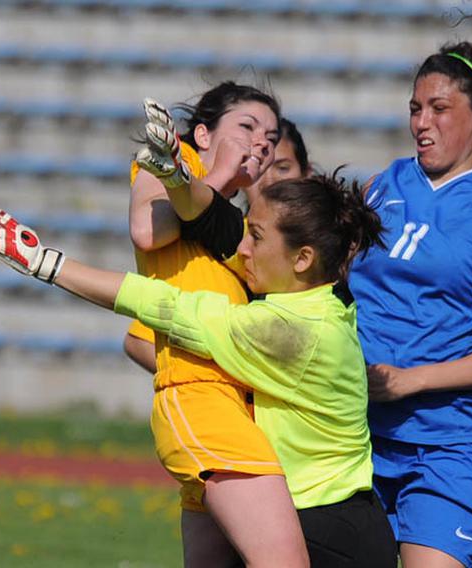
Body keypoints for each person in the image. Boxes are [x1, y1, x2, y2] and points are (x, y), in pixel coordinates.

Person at [0, 168, 391, 567]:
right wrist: (180, 180)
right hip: (339, 525)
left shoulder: (288, 331)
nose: (242, 249)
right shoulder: (323, 304)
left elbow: (165, 305)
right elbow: (217, 229)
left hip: (328, 533)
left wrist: (48, 265)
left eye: (255, 237)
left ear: (303, 259)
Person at [139, 99, 398, 567]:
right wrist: (175, 171)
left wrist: (53, 268)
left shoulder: (310, 291)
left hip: (324, 508)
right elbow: (194, 220)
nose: (269, 176)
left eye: (283, 166)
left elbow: (173, 287)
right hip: (286, 496)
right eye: (264, 165)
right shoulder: (256, 251)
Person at [347, 2, 472, 567]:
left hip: (441, 449)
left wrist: (411, 382)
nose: (420, 123)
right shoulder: (382, 185)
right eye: (415, 108)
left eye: (439, 108)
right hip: (348, 438)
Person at [120, 83, 305, 566]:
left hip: (246, 408)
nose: (261, 143)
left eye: (270, 137)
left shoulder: (243, 225)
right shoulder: (171, 162)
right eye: (246, 127)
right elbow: (146, 228)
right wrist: (218, 176)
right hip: (200, 398)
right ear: (202, 133)